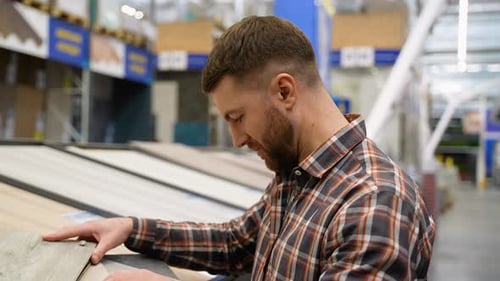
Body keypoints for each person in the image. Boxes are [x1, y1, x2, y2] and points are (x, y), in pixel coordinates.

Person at [44, 16, 436, 280]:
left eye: (237, 117)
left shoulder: (374, 202)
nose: (237, 139)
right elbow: (237, 243)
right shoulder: (296, 174)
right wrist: (132, 229)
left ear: (284, 91)